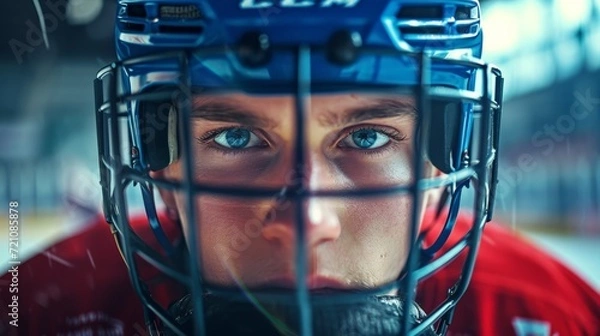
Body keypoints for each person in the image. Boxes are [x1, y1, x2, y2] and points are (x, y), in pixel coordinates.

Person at [1, 1, 599, 335]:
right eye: (236, 137)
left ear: (442, 153)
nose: (308, 221)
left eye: (366, 137)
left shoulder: (551, 317)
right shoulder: (36, 311)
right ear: (159, 161)